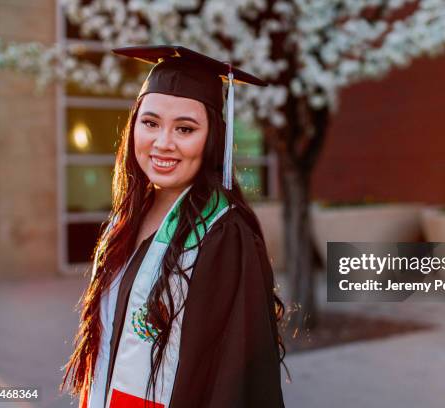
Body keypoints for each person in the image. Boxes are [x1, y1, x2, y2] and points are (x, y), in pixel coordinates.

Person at [59, 45, 286, 408]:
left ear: (213, 138)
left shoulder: (222, 234)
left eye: (185, 128)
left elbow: (237, 378)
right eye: (150, 123)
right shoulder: (126, 220)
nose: (163, 143)